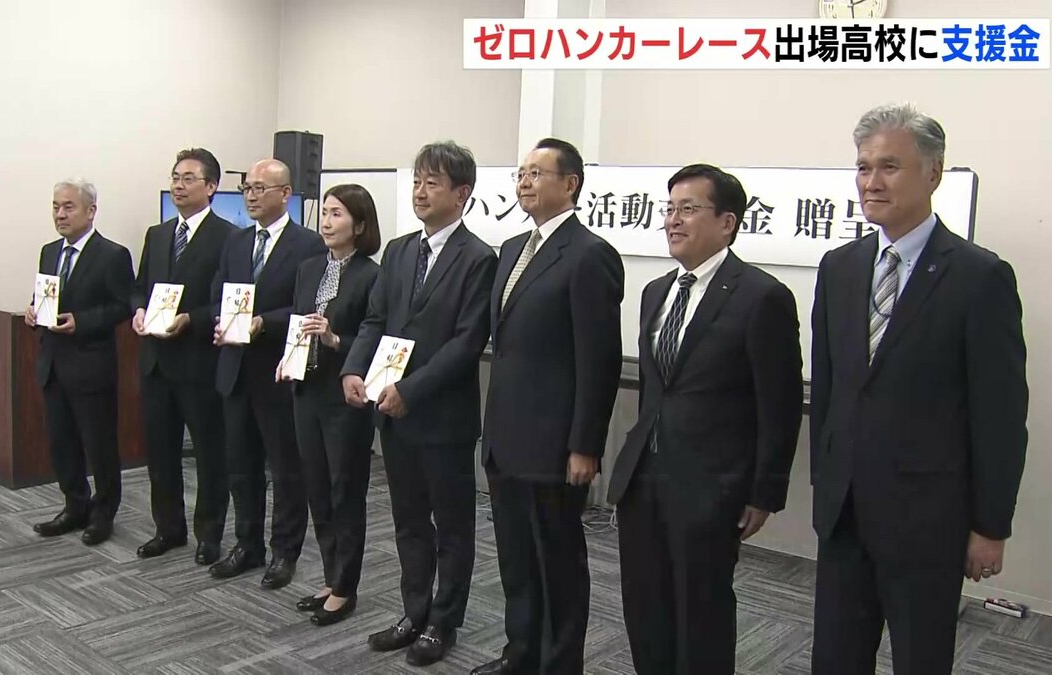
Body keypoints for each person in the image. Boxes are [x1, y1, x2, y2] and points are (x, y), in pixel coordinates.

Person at [810, 104, 1029, 674]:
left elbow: (1000, 415)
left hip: (928, 520)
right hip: (844, 513)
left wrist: (990, 526)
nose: (871, 182)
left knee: (921, 660)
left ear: (933, 174)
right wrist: (824, 481)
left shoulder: (979, 277)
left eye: (889, 166)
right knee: (834, 658)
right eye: (863, 167)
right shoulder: (839, 267)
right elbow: (830, 389)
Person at [606, 164, 804, 674]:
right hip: (644, 480)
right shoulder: (656, 291)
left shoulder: (762, 296)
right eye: (669, 209)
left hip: (711, 485)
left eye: (689, 209)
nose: (673, 220)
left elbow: (779, 404)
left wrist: (764, 492)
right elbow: (656, 391)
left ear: (727, 222)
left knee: (701, 612)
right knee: (644, 606)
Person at [342, 141, 496, 667]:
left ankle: (443, 622)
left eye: (433, 183)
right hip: (391, 412)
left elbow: (466, 343)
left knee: (452, 527)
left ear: (462, 193)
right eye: (416, 182)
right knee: (408, 522)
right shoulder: (400, 250)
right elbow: (375, 320)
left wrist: (411, 390)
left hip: (442, 417)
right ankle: (414, 612)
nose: (420, 192)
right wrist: (353, 369)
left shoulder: (479, 258)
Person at [474, 137, 624, 675]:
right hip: (506, 439)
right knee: (516, 562)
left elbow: (599, 360)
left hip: (555, 446)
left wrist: (585, 444)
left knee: (556, 565)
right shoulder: (513, 248)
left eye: (537, 173)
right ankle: (521, 655)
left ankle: (559, 665)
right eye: (520, 173)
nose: (524, 182)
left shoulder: (589, 255)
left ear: (571, 184)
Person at [209, 159, 326, 587]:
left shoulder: (308, 244)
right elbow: (220, 290)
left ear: (286, 194)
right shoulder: (237, 241)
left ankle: (284, 552)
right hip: (235, 368)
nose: (251, 196)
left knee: (285, 468)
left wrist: (265, 323)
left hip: (278, 369)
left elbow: (308, 305)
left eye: (260, 188)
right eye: (247, 188)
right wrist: (221, 321)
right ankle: (247, 545)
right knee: (240, 465)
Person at [280, 183, 382, 626]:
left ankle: (346, 587)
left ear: (359, 225)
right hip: (307, 390)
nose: (326, 221)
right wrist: (287, 359)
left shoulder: (372, 275)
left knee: (345, 490)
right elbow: (297, 323)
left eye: (337, 214)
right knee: (317, 487)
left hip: (344, 395)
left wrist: (334, 338)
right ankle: (329, 576)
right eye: (324, 212)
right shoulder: (309, 269)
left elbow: (373, 336)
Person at [130, 148, 233, 565]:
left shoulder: (228, 237)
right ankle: (167, 528)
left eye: (189, 178)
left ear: (211, 187)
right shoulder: (157, 235)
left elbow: (229, 301)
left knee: (209, 454)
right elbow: (139, 287)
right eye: (175, 177)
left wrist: (192, 318)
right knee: (160, 453)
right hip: (156, 361)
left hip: (198, 361)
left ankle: (209, 534)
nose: (178, 185)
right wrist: (138, 310)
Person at [26, 179, 133, 546]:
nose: (60, 214)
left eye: (68, 207)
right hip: (53, 364)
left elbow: (123, 306)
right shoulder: (49, 252)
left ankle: (103, 514)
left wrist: (82, 322)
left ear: (91, 211)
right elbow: (44, 296)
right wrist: (33, 311)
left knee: (99, 447)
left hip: (91, 366)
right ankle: (74, 505)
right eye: (56, 206)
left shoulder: (112, 255)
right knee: (62, 443)